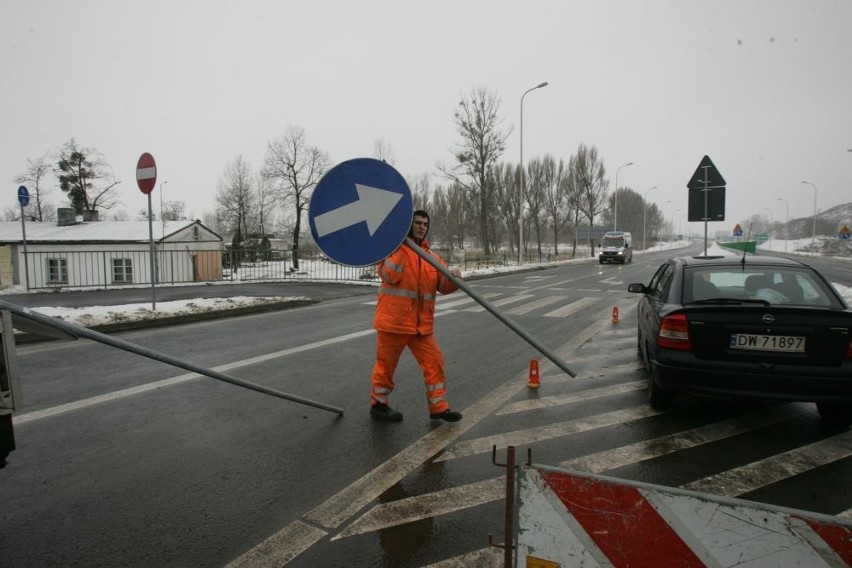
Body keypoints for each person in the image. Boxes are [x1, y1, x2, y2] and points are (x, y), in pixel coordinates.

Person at [369, 210, 463, 422]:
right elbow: (389, 275)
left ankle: (439, 408)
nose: (421, 227)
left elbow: (443, 286)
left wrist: (455, 279)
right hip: (394, 323)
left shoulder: (432, 257)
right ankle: (378, 404)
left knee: (434, 362)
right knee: (386, 366)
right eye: (417, 223)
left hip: (421, 327)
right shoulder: (392, 249)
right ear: (408, 225)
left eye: (424, 224)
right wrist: (401, 246)